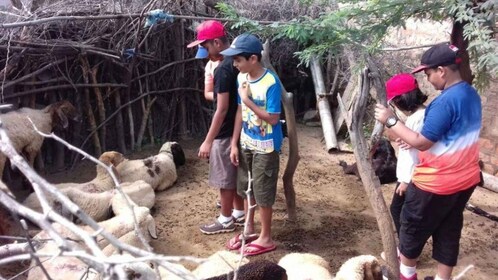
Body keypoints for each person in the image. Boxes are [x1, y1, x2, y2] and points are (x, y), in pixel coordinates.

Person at [374, 43, 482, 280]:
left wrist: (390, 120)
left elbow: (422, 142)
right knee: (449, 229)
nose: (428, 79)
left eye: (428, 73)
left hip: (436, 183)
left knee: (411, 230)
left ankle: (407, 276)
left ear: (441, 70)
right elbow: (448, 136)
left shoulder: (444, 102)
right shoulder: (470, 93)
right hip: (465, 179)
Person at [221, 33, 284, 256]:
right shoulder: (242, 79)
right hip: (247, 142)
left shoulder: (270, 83)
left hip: (266, 146)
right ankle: (248, 229)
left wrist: (248, 100)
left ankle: (266, 237)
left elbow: (273, 118)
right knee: (246, 187)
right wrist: (235, 143)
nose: (234, 64)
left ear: (254, 59)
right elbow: (240, 111)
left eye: (238, 59)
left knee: (263, 191)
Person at [187, 20, 245, 235]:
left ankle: (226, 219)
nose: (203, 50)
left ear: (217, 42)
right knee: (234, 174)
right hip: (237, 129)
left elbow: (221, 109)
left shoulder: (223, 70)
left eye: (205, 46)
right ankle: (239, 212)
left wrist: (208, 140)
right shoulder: (236, 63)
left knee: (224, 179)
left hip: (225, 131)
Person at [380, 73, 427, 261]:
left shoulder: (419, 118)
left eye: (394, 102)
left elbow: (416, 155)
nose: (395, 106)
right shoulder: (419, 115)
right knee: (399, 211)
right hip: (407, 176)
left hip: (411, 177)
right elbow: (415, 143)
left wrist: (406, 181)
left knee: (402, 214)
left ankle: (406, 252)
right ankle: (405, 249)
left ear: (402, 99)